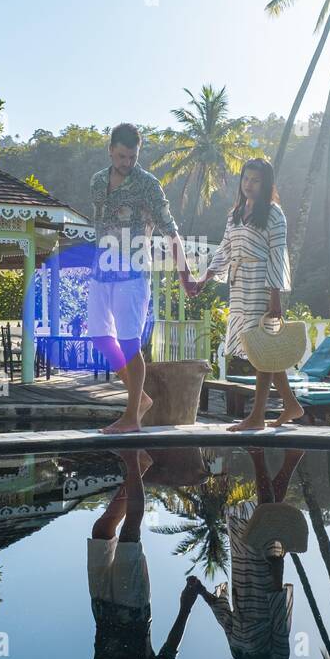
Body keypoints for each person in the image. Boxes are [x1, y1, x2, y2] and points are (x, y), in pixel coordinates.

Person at [87, 449, 201, 659]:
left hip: (101, 607)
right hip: (133, 608)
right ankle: (132, 460)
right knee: (129, 533)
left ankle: (140, 467)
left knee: (101, 530)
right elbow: (168, 652)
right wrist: (185, 607)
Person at [88, 122, 192, 433]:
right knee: (99, 336)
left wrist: (184, 273)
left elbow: (170, 231)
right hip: (101, 268)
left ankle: (132, 416)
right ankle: (141, 397)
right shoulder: (96, 182)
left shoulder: (148, 185)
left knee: (129, 342)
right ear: (110, 151)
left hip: (132, 271)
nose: (127, 163)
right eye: (121, 156)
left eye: (132, 157)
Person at [188, 157, 304, 430]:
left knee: (261, 349)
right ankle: (291, 404)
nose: (249, 184)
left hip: (262, 284)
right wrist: (204, 277)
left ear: (265, 184)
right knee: (261, 347)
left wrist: (275, 296)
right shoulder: (236, 214)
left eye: (255, 180)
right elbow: (225, 251)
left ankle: (257, 416)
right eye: (245, 179)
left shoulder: (274, 214)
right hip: (239, 285)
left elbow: (277, 254)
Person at [190, 447, 304, 659]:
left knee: (260, 517)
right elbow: (279, 624)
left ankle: (291, 458)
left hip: (242, 574)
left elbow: (226, 620)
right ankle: (258, 456)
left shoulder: (241, 656)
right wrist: (277, 574)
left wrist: (201, 592)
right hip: (265, 581)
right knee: (266, 518)